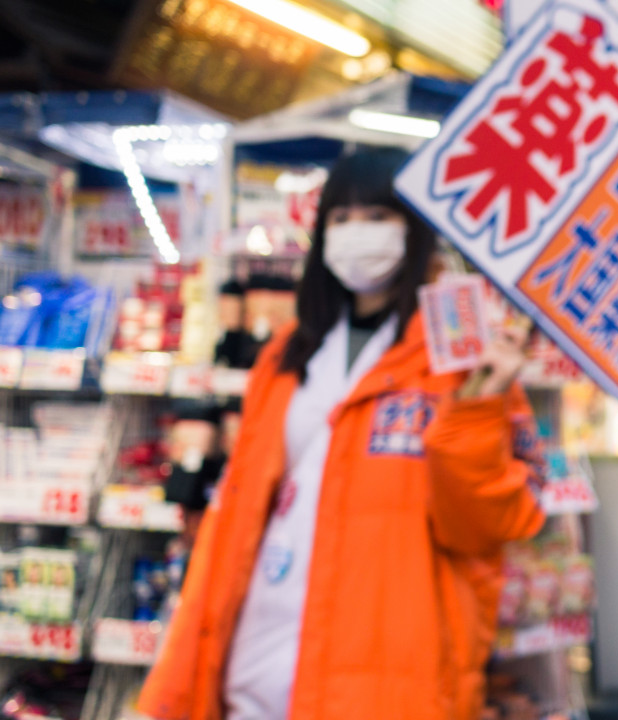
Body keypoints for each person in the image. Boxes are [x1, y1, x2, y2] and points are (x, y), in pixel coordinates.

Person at [138, 148, 547, 720]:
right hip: (256, 659)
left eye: (378, 216)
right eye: (341, 218)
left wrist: (480, 404)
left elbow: (493, 523)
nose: (359, 233)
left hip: (387, 675)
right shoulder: (285, 354)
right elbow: (237, 517)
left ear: (415, 229)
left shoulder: (463, 358)